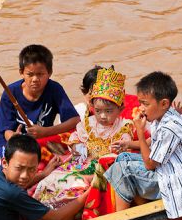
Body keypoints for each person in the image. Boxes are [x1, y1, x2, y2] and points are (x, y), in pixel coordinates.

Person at [104, 71, 182, 219]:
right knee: (123, 157)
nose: (141, 108)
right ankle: (140, 204)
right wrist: (128, 144)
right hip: (170, 169)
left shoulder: (169, 127)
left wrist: (140, 131)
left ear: (164, 104)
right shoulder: (164, 115)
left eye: (145, 104)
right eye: (140, 102)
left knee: (121, 169)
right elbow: (153, 142)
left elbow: (149, 164)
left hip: (180, 186)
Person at [32, 66, 133, 210]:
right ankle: (43, 213)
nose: (103, 116)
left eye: (108, 111)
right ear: (92, 107)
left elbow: (123, 152)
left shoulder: (124, 127)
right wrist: (76, 146)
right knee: (51, 180)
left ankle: (61, 214)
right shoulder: (88, 123)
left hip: (103, 171)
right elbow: (75, 136)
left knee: (76, 184)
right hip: (81, 163)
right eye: (98, 111)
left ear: (120, 109)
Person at [0, 44, 80, 168]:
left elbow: (74, 120)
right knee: (5, 172)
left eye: (40, 74)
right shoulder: (10, 92)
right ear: (21, 73)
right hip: (6, 142)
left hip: (39, 140)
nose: (35, 79)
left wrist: (45, 131)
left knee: (74, 140)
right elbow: (6, 130)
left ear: (49, 73)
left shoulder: (55, 89)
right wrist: (14, 138)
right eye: (30, 74)